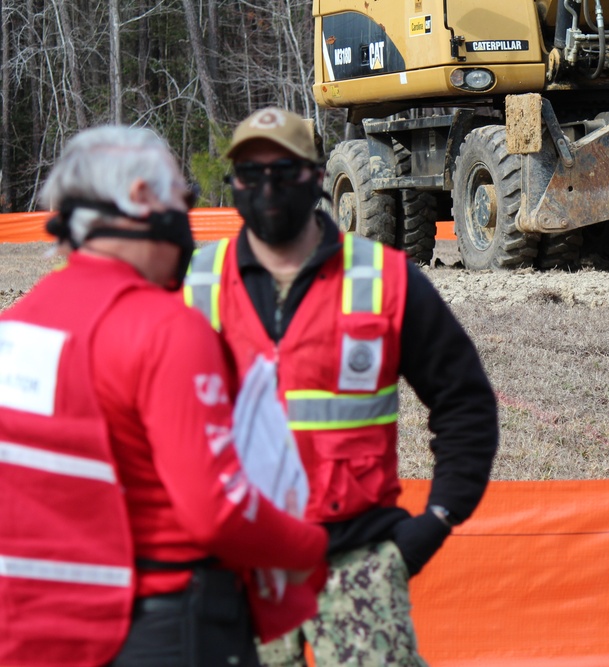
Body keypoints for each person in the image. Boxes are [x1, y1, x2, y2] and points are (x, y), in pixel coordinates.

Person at [0, 126, 330, 667]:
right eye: (186, 196)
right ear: (141, 197)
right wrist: (311, 546)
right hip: (169, 625)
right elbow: (216, 512)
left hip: (42, 628)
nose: (189, 217)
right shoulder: (165, 330)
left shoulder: (17, 327)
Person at [183, 107, 499, 666]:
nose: (267, 187)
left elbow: (464, 402)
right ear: (233, 185)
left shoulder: (385, 279)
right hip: (234, 568)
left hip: (358, 565)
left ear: (317, 178)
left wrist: (438, 519)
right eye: (250, 174)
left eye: (284, 170)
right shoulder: (194, 284)